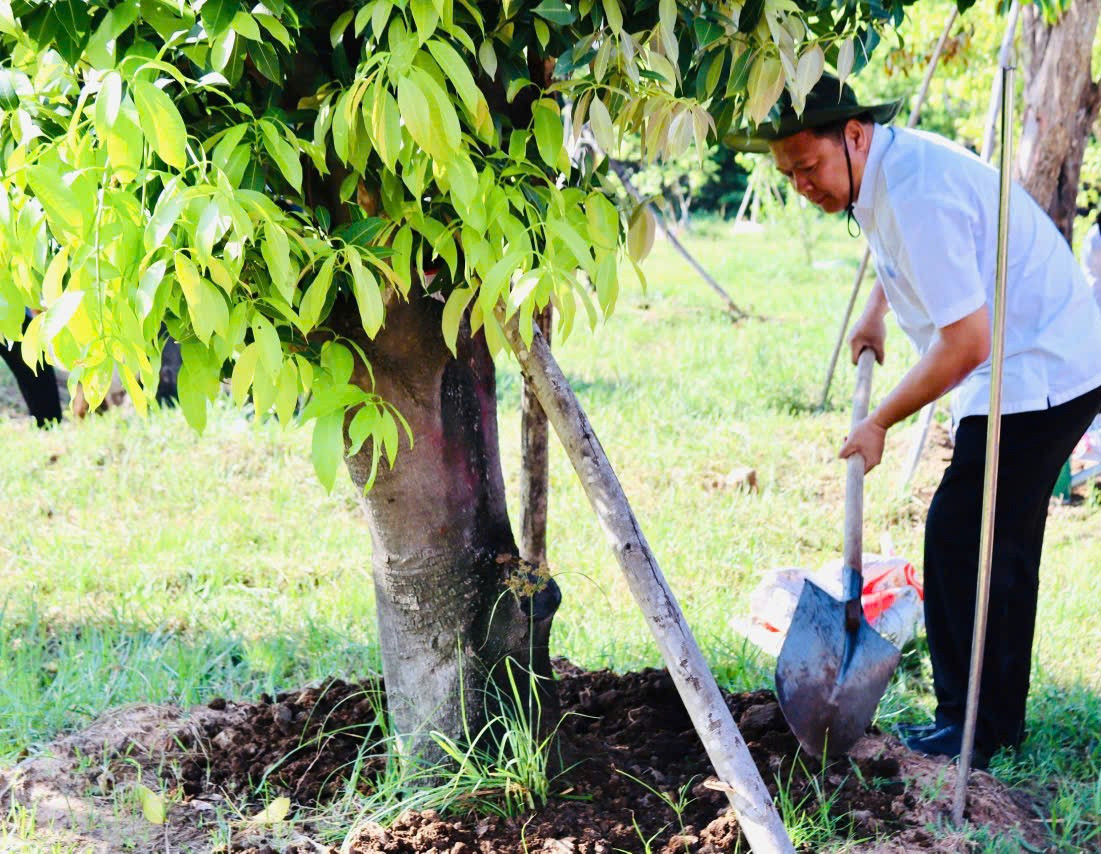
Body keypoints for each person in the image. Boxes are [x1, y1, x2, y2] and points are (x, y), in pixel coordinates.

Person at [729, 74, 1101, 766]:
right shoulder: (884, 170)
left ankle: (969, 728)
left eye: (808, 167)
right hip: (1031, 359)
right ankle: (990, 721)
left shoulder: (914, 190)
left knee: (964, 537)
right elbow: (907, 252)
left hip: (1037, 366)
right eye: (788, 176)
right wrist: (875, 310)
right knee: (998, 545)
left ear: (855, 134)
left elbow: (966, 343)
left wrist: (878, 420)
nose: (803, 185)